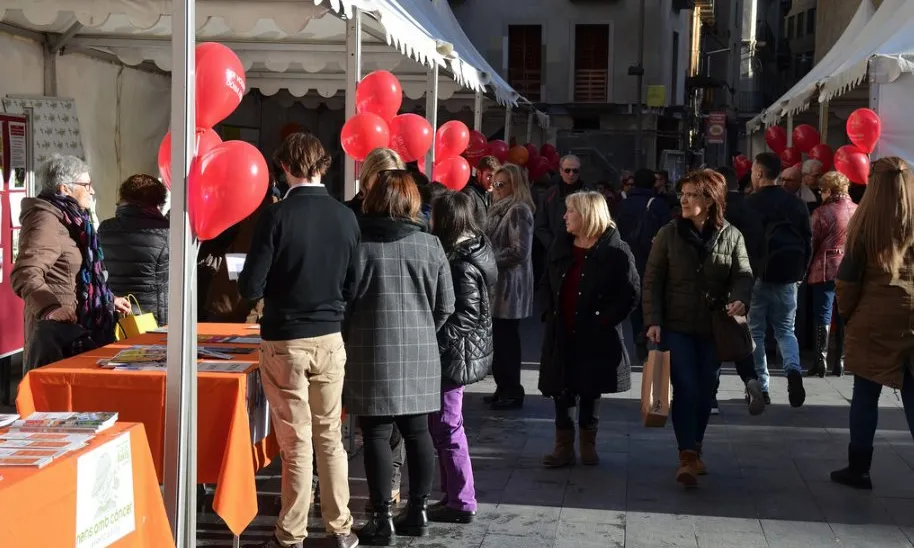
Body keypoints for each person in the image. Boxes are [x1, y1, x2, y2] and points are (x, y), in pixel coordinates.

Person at [237, 133, 359, 548]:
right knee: (329, 437)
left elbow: (251, 286)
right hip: (329, 336)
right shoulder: (346, 217)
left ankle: (292, 534)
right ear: (323, 166)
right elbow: (354, 284)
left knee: (296, 441)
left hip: (286, 339)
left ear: (284, 167)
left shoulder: (276, 217)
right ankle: (340, 528)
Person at [345, 170, 455, 545]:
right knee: (417, 430)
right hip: (421, 351)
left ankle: (380, 517)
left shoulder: (359, 244)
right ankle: (418, 510)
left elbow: (346, 302)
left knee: (375, 432)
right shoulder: (430, 245)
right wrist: (424, 330)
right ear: (413, 202)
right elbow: (447, 305)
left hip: (369, 348)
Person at [642, 170, 753, 487]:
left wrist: (740, 298)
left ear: (710, 200)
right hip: (676, 325)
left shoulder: (732, 235)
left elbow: (743, 274)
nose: (684, 200)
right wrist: (653, 320)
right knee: (686, 386)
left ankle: (697, 445)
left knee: (707, 391)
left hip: (713, 327)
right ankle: (686, 455)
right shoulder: (669, 233)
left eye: (691, 194)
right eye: (683, 194)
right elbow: (653, 279)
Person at [830, 157, 914, 491]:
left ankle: (859, 468)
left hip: (874, 318)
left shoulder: (866, 225)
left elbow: (848, 282)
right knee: (912, 390)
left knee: (865, 394)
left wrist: (847, 316)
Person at [539, 191, 639, 468]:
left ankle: (588, 443)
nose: (565, 216)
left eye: (570, 210)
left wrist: (604, 321)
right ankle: (563, 447)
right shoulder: (562, 244)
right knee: (562, 386)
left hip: (595, 333)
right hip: (562, 329)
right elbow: (547, 280)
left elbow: (630, 295)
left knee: (590, 387)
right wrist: (549, 312)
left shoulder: (616, 251)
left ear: (586, 215)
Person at [11, 154, 131, 372]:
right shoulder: (44, 219)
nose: (92, 191)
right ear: (64, 188)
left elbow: (73, 274)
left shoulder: (72, 220)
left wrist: (106, 299)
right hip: (58, 336)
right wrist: (50, 308)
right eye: (86, 185)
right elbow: (25, 272)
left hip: (79, 328)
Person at [429, 191, 497, 524]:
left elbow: (467, 314)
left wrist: (435, 342)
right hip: (463, 352)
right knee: (447, 425)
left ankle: (461, 499)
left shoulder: (461, 262)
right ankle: (454, 496)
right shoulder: (476, 248)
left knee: (447, 425)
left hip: (456, 355)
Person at [748, 153, 812, 407]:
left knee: (756, 333)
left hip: (757, 278)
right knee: (786, 330)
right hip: (788, 276)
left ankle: (762, 387)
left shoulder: (750, 204)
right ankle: (793, 370)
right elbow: (807, 241)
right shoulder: (796, 204)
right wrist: (800, 273)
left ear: (760, 173)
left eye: (753, 171)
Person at [712, 166, 766, 416]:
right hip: (743, 280)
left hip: (716, 282)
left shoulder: (716, 212)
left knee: (713, 340)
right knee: (738, 334)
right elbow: (759, 244)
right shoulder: (751, 206)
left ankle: (710, 396)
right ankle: (751, 380)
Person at [485, 164, 536, 410]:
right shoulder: (497, 210)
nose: (496, 189)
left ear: (515, 186)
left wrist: (488, 257)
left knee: (506, 341)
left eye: (501, 184)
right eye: (494, 183)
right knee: (498, 340)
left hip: (510, 289)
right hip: (498, 287)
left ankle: (512, 389)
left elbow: (520, 251)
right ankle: (503, 386)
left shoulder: (518, 210)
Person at [198, 181, 279, 323]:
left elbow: (212, 238)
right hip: (250, 300)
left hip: (228, 298)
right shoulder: (276, 208)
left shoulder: (240, 206)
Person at [98, 174, 170, 324]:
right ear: (158, 201)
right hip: (154, 319)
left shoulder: (105, 228)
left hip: (115, 314)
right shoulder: (166, 232)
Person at [615, 168, 672, 359]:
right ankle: (651, 330)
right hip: (653, 256)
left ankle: (638, 334)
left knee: (635, 299)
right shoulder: (659, 205)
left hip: (628, 256)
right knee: (653, 295)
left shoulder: (624, 204)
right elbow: (668, 231)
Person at [806, 171, 857, 378]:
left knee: (823, 314)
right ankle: (842, 361)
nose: (820, 194)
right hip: (850, 269)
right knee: (844, 314)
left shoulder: (822, 212)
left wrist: (805, 268)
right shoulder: (858, 210)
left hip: (826, 268)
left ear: (829, 190)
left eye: (821, 190)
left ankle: (820, 361)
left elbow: (812, 242)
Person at [534, 155, 589, 253]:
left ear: (579, 172)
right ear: (560, 171)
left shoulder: (589, 195)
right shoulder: (550, 194)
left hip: (583, 248)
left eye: (575, 171)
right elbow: (540, 225)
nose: (571, 174)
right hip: (556, 252)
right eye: (567, 170)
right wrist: (554, 245)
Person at [346, 147, 404, 215]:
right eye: (382, 176)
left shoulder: (409, 214)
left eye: (393, 177)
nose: (387, 183)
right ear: (366, 178)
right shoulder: (346, 214)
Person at [462, 156, 500, 230]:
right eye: (489, 176)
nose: (492, 181)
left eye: (495, 177)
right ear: (479, 173)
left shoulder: (490, 194)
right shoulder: (469, 194)